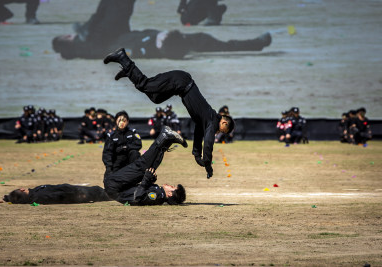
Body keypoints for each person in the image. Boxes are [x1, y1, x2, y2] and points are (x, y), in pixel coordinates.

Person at [103, 48, 235, 178]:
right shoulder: (212, 121)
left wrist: (196, 154)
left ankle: (129, 72)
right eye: (222, 130)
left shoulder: (205, 121)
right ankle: (123, 58)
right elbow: (208, 143)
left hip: (180, 85)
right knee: (145, 85)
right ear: (223, 122)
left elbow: (199, 132)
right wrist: (208, 165)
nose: (219, 133)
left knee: (155, 98)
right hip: (179, 81)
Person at [53, 28, 272, 60]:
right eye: (66, 37)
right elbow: (129, 50)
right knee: (211, 43)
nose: (70, 34)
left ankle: (257, 44)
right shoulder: (91, 46)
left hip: (158, 44)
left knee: (210, 43)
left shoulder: (90, 44)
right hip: (160, 45)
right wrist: (155, 42)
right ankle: (257, 44)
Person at [104, 126, 187, 205]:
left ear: (169, 194)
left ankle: (164, 136)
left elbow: (138, 197)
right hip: (118, 186)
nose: (170, 185)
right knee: (151, 168)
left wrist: (146, 179)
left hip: (114, 186)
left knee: (142, 166)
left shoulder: (157, 196)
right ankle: (167, 141)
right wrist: (150, 180)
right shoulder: (159, 193)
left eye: (172, 187)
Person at [102, 110, 142, 177]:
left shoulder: (132, 132)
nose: (121, 123)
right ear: (116, 121)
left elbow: (138, 144)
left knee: (135, 153)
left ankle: (135, 173)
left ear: (127, 122)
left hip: (129, 161)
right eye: (119, 120)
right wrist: (109, 167)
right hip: (117, 161)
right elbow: (107, 153)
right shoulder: (111, 135)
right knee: (110, 178)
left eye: (124, 121)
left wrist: (126, 147)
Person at [3, 184, 110, 204]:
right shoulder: (38, 196)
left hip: (73, 190)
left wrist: (8, 198)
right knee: (100, 192)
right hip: (77, 193)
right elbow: (58, 196)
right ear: (22, 190)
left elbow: (17, 198)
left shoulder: (32, 194)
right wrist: (77, 194)